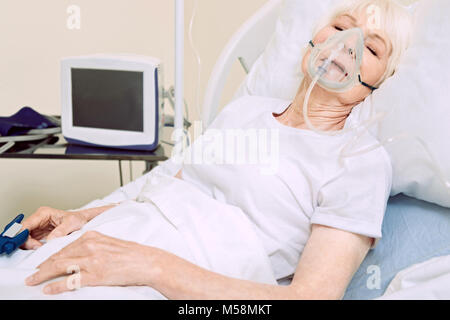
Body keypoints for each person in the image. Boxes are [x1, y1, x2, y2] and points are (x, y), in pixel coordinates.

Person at [21, 0, 413, 299]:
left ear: (384, 82)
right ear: (313, 37)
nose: (348, 44)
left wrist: (154, 267)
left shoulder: (359, 163)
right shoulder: (246, 110)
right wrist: (81, 217)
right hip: (113, 241)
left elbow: (309, 298)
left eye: (373, 49)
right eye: (341, 26)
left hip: (173, 281)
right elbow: (165, 196)